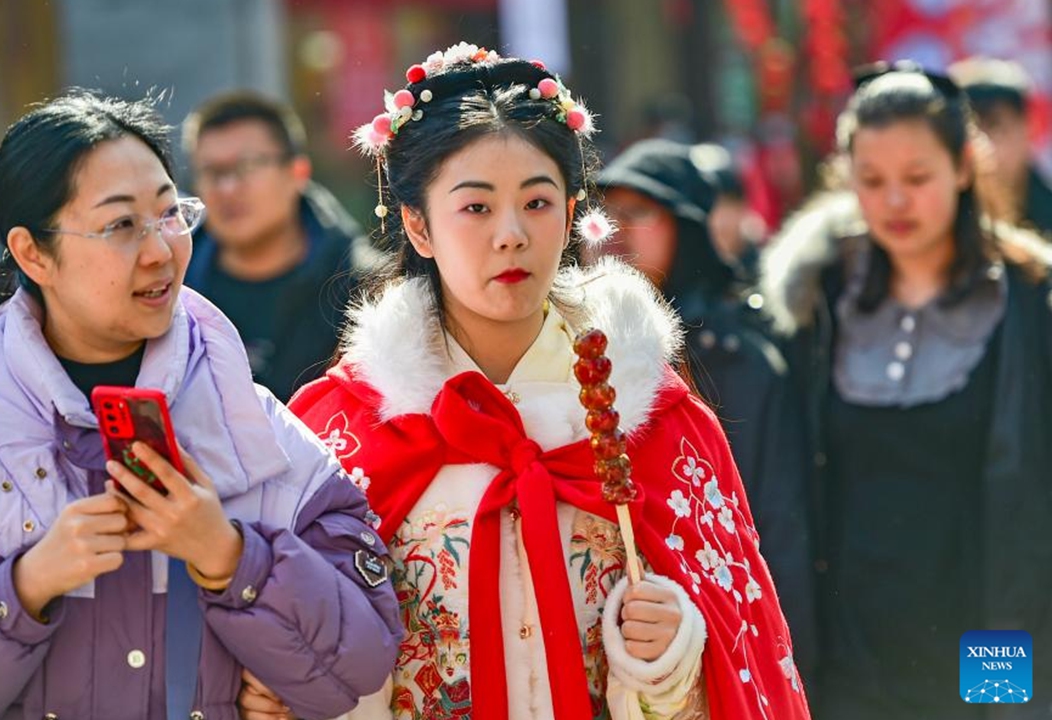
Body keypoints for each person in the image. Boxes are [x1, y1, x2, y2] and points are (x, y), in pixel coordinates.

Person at [240, 42, 810, 720]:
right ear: (419, 226)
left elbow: (745, 674)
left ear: (570, 215)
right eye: (475, 208)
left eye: (537, 203)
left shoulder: (652, 417)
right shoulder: (344, 433)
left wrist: (669, 658)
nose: (510, 234)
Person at [0, 91, 401, 720]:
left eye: (170, 214)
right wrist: (24, 586)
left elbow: (363, 656)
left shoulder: (246, 420)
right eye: (120, 225)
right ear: (33, 253)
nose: (161, 250)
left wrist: (227, 554)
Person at [761, 61, 1052, 719]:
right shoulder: (816, 305)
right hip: (846, 661)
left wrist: (1004, 699)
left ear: (963, 167)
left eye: (917, 179)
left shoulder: (1030, 304)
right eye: (872, 181)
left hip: (985, 643)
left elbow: (1027, 525)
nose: (895, 201)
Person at [596, 138, 817, 683]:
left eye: (640, 212)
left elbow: (776, 529)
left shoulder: (739, 360)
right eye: (605, 214)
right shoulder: (566, 346)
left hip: (721, 630)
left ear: (685, 229)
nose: (616, 230)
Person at [183, 92, 382, 400]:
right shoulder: (174, 287)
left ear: (297, 173)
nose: (227, 188)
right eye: (212, 172)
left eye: (247, 166)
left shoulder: (365, 289)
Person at [948, 56, 1052, 235]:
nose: (983, 145)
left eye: (996, 128)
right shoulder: (941, 220)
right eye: (971, 131)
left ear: (1030, 128)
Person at [690, 142, 766, 283]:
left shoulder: (767, 272)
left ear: (743, 205)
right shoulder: (679, 282)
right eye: (707, 204)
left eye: (728, 204)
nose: (718, 221)